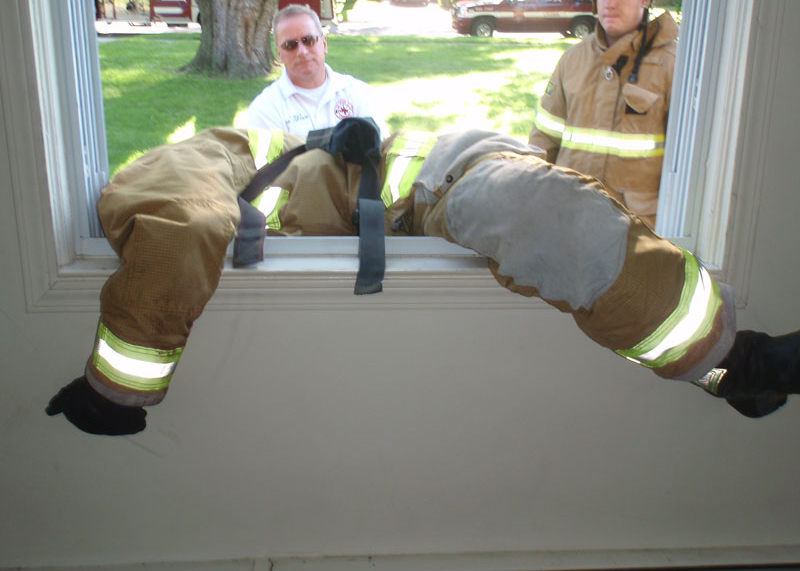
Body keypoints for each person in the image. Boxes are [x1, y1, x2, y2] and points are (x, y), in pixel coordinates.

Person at [45, 121, 800, 436]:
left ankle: (736, 359)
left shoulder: (288, 148)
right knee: (538, 211)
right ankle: (736, 365)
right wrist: (118, 388)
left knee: (543, 211)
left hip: (445, 175)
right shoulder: (203, 159)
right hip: (422, 197)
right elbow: (179, 232)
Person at [528, 0, 679, 229]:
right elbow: (544, 140)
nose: (609, 3)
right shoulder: (573, 60)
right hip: (570, 217)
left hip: (637, 230)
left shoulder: (673, 64)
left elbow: (686, 162)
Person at [247, 5, 389, 141]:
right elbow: (270, 165)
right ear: (279, 54)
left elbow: (379, 154)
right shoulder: (264, 109)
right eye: (290, 45)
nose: (302, 51)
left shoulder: (360, 94)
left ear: (324, 44)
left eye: (309, 40)